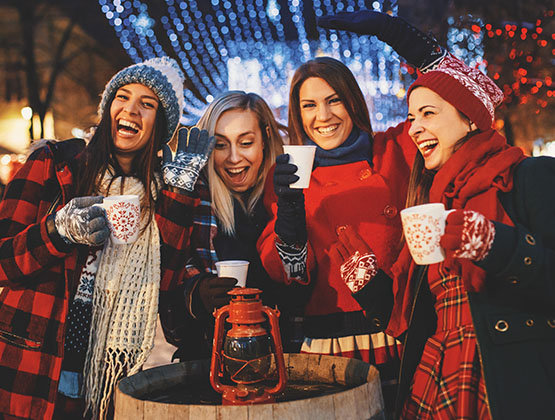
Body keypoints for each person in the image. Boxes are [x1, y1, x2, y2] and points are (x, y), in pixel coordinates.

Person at [320, 10, 555, 420]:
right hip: (436, 380)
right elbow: (419, 321)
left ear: (469, 118)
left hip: (504, 383)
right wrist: (374, 290)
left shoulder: (528, 178)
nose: (413, 128)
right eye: (411, 118)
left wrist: (495, 244)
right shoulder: (432, 200)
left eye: (429, 113)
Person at [0, 57, 191, 420]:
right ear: (108, 108)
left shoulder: (162, 196)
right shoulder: (52, 164)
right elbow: (3, 262)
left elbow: (166, 285)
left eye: (147, 104)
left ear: (159, 125)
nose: (131, 109)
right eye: (123, 96)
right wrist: (57, 231)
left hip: (105, 385)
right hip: (30, 368)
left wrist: (181, 194)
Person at [256, 51, 420, 407]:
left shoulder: (394, 149)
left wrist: (405, 43)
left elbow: (453, 101)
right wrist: (289, 213)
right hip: (331, 351)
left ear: (354, 102)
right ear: (297, 114)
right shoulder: (288, 176)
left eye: (334, 101)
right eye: (309, 105)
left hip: (402, 335)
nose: (323, 116)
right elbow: (289, 274)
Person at [159, 91, 303, 362]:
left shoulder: (287, 193)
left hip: (288, 361)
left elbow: (302, 284)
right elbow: (168, 314)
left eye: (246, 142)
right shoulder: (194, 201)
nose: (234, 158)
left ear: (265, 138)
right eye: (221, 145)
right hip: (208, 365)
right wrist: (197, 295)